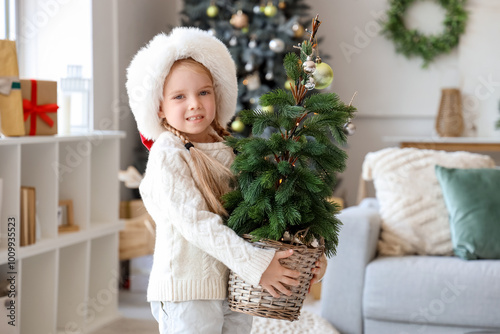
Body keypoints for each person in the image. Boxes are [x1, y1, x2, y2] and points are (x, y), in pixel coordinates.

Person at [126, 27, 326, 334]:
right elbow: (196, 222)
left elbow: (267, 208)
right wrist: (257, 265)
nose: (194, 103)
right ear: (160, 107)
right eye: (179, 96)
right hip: (188, 289)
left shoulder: (231, 147)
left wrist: (309, 254)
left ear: (217, 94)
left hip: (235, 284)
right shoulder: (169, 152)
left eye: (203, 92)